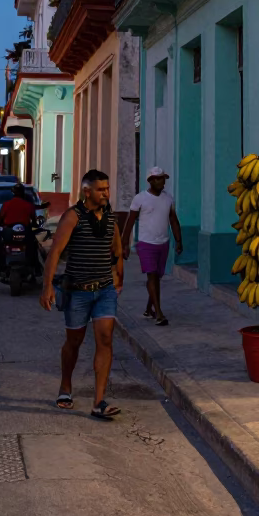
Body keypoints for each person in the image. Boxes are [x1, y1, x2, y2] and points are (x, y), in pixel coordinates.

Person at [39, 169, 123, 419]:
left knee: (105, 339)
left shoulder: (110, 218)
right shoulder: (72, 217)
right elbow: (54, 253)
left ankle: (99, 402)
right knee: (74, 342)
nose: (106, 193)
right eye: (101, 189)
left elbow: (117, 249)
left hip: (104, 290)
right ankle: (66, 386)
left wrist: (119, 279)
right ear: (87, 192)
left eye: (107, 189)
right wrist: (47, 287)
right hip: (78, 292)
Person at [121, 167, 182, 327]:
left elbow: (173, 220)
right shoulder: (140, 199)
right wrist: (124, 244)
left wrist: (178, 240)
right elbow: (130, 221)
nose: (162, 182)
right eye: (158, 178)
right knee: (152, 276)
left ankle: (149, 308)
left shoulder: (168, 199)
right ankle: (159, 314)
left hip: (164, 243)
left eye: (163, 178)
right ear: (150, 181)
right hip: (146, 244)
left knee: (157, 277)